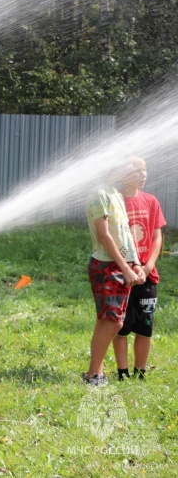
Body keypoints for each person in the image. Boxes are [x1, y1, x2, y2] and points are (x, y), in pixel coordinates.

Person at [83, 159, 146, 386]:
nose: (130, 169)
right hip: (105, 265)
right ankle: (92, 376)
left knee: (108, 320)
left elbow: (125, 234)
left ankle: (96, 373)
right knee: (113, 323)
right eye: (126, 164)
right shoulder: (98, 193)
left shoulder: (116, 194)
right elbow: (104, 236)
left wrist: (135, 263)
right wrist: (125, 268)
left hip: (120, 265)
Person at [113, 156, 165, 381]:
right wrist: (127, 267)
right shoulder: (114, 201)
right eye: (137, 171)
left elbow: (156, 236)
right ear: (124, 175)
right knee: (120, 327)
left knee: (145, 327)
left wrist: (148, 266)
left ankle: (140, 373)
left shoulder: (151, 201)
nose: (143, 175)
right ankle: (122, 373)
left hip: (147, 276)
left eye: (144, 171)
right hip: (120, 274)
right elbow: (110, 237)